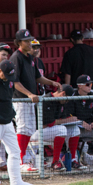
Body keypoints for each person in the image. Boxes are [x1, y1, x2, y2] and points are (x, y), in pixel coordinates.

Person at [11, 29, 60, 171]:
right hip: (21, 99)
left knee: (30, 129)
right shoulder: (16, 57)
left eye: (30, 40)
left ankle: (25, 159)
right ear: (19, 43)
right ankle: (21, 161)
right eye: (26, 41)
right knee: (23, 128)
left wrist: (52, 83)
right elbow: (15, 82)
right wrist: (29, 94)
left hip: (30, 99)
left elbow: (37, 77)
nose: (29, 43)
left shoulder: (30, 57)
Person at [40, 84, 81, 171]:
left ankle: (73, 160)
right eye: (67, 99)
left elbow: (62, 118)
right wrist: (67, 120)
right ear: (62, 94)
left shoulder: (61, 102)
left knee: (75, 129)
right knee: (61, 129)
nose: (67, 102)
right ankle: (55, 162)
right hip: (39, 132)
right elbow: (49, 123)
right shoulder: (47, 99)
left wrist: (70, 119)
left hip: (52, 130)